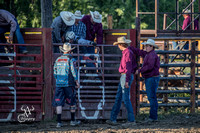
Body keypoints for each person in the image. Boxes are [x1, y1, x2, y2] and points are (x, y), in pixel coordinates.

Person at [106, 36, 137, 126]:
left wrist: (126, 80)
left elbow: (128, 67)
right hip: (125, 76)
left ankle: (131, 120)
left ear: (120, 45)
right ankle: (113, 118)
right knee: (120, 98)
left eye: (118, 45)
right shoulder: (127, 52)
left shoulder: (127, 53)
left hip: (125, 76)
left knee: (125, 98)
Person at [129, 39, 160, 122]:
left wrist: (139, 70)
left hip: (152, 78)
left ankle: (153, 117)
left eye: (147, 45)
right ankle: (153, 116)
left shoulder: (151, 55)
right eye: (145, 45)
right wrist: (129, 47)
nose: (145, 47)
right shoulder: (149, 54)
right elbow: (139, 52)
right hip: (152, 77)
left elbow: (149, 67)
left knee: (151, 97)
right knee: (152, 97)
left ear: (151, 47)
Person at [52, 43, 81, 127]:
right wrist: (76, 81)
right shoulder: (71, 60)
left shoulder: (58, 60)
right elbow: (73, 71)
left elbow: (55, 72)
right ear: (69, 51)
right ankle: (72, 121)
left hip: (59, 84)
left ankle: (59, 122)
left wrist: (57, 79)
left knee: (59, 102)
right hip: (68, 84)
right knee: (72, 102)